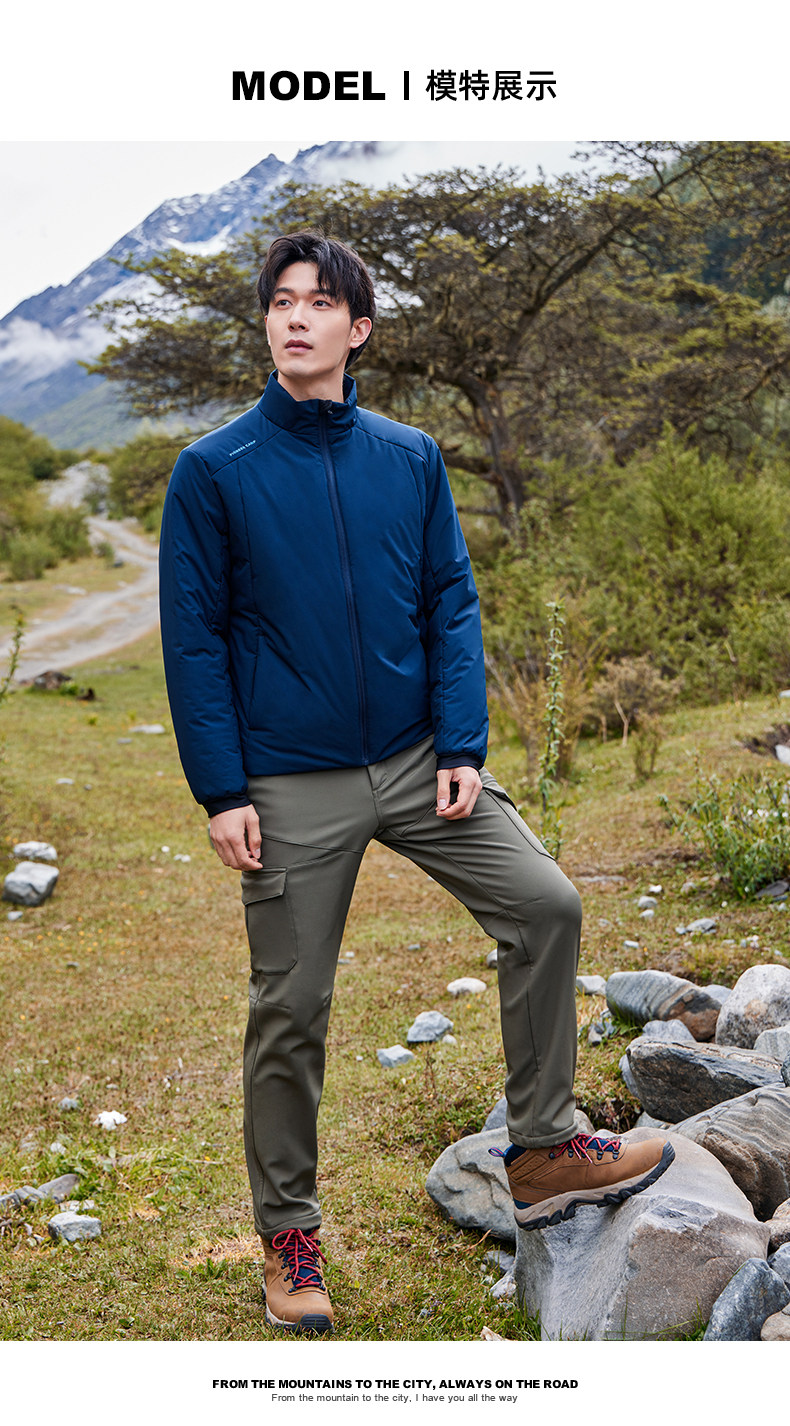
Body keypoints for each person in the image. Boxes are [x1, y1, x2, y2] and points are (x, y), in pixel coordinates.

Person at [158, 230, 674, 1336]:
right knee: (291, 1007)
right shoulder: (214, 471)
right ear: (266, 324)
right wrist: (222, 790)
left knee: (545, 903)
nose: (296, 318)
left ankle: (542, 1148)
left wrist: (461, 744)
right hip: (287, 780)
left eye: (319, 303)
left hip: (413, 760)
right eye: (280, 302)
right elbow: (193, 640)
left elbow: (449, 599)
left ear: (359, 328)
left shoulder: (409, 456)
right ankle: (288, 1237)